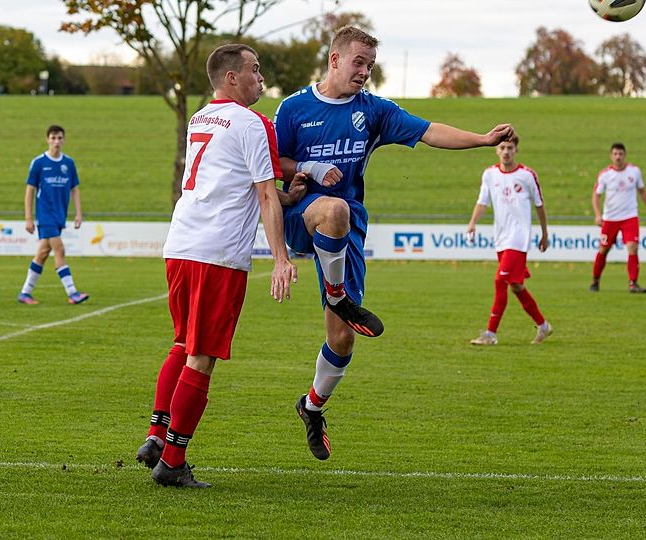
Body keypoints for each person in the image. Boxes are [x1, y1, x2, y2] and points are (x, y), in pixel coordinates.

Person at [273, 26, 515, 460]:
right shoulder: (293, 108)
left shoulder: (373, 110)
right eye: (358, 62)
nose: (364, 72)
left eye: (370, 65)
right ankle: (338, 295)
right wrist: (310, 166)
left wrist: (481, 139)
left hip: (347, 227)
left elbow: (429, 130)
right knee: (334, 209)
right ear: (334, 60)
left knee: (342, 340)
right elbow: (275, 160)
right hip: (301, 212)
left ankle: (312, 407)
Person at [134, 44, 298, 488]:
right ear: (231, 77)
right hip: (218, 252)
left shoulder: (200, 118)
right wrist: (281, 259)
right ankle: (172, 462)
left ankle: (156, 435)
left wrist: (289, 195)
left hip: (181, 244)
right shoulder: (252, 122)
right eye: (255, 70)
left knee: (183, 343)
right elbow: (264, 194)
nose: (261, 78)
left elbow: (233, 182)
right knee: (202, 356)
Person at [467, 136, 553, 346]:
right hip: (501, 238)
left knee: (500, 281)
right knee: (516, 286)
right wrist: (472, 222)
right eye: (502, 147)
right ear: (496, 150)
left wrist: (544, 233)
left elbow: (539, 205)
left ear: (516, 150)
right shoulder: (490, 174)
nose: (506, 151)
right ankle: (543, 326)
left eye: (510, 148)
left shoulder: (527, 175)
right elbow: (482, 202)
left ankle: (490, 334)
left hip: (519, 237)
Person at [17, 125, 89, 305]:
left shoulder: (69, 163)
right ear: (47, 139)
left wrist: (78, 213)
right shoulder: (39, 163)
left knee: (43, 253)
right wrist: (28, 217)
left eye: (59, 138)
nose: (56, 141)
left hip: (59, 215)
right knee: (60, 249)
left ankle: (25, 293)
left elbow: (75, 189)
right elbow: (29, 190)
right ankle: (72, 293)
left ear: (64, 140)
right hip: (45, 214)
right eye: (53, 138)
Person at [589, 142, 646, 293]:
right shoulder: (605, 174)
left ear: (625, 155)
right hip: (610, 218)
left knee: (633, 247)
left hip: (629, 217)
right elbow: (596, 196)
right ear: (611, 156)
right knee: (603, 249)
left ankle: (633, 283)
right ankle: (595, 280)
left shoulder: (634, 171)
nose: (618, 157)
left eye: (620, 154)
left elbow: (642, 191)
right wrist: (598, 215)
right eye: (615, 154)